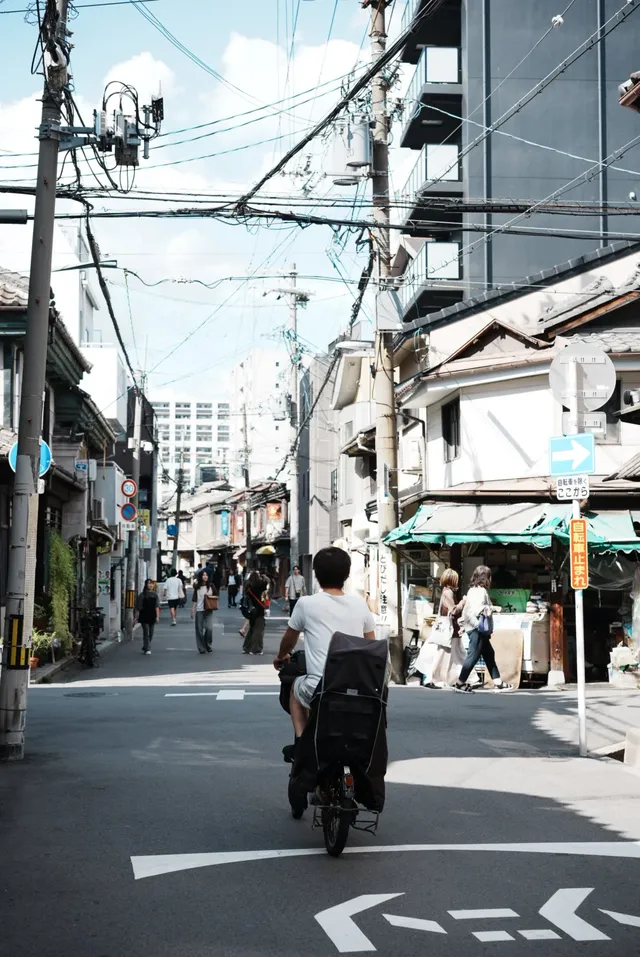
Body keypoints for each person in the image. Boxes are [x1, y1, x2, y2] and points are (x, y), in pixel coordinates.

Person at [273, 546, 376, 751]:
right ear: (346, 575)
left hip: (320, 687)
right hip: (359, 687)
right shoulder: (360, 605)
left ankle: (302, 743)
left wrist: (281, 655)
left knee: (295, 687)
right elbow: (371, 646)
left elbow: (289, 640)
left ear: (316, 575)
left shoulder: (306, 604)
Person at [454, 565, 513, 693]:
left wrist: (464, 626)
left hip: (474, 627)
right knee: (473, 656)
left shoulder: (472, 590)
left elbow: (467, 610)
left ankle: (498, 682)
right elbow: (478, 610)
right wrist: (494, 608)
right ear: (486, 578)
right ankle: (460, 683)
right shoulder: (481, 592)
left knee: (489, 654)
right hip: (477, 628)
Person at [422, 569, 466, 689]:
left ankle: (463, 678)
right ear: (452, 580)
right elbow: (454, 610)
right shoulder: (448, 593)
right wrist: (463, 602)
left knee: (457, 654)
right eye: (456, 579)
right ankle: (432, 679)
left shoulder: (446, 592)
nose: (458, 581)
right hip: (448, 630)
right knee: (445, 654)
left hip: (450, 629)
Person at [242, 570, 269, 655]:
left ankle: (246, 647)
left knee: (252, 629)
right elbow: (267, 581)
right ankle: (256, 649)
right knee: (259, 631)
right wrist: (264, 575)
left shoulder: (248, 586)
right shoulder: (261, 585)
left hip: (251, 610)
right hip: (259, 609)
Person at [191, 570, 217, 654]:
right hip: (199, 610)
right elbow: (195, 599)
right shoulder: (197, 587)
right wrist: (192, 610)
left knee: (209, 628)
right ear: (200, 577)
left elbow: (216, 596)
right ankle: (201, 648)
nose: (205, 577)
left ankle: (208, 644)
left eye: (206, 575)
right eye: (203, 575)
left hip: (209, 610)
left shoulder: (211, 586)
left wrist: (209, 596)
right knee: (199, 630)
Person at [135, 579, 160, 655]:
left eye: (152, 584)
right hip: (144, 616)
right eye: (149, 584)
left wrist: (157, 617)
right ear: (146, 585)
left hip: (152, 615)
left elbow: (157, 607)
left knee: (151, 633)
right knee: (146, 632)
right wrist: (136, 617)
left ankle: (145, 646)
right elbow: (138, 608)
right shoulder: (142, 595)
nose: (151, 585)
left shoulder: (155, 595)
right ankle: (148, 649)